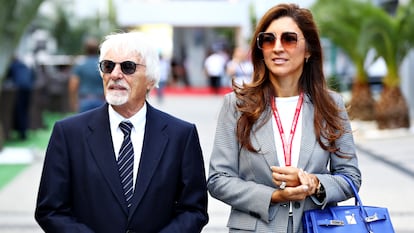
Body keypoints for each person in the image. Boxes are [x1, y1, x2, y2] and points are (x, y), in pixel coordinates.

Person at [207, 4, 361, 233]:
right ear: (260, 49)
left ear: (308, 49)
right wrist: (274, 196)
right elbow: (219, 179)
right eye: (268, 40)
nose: (277, 48)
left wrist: (316, 184)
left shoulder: (331, 105)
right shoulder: (236, 105)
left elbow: (350, 177)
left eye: (289, 39)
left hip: (316, 226)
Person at [35, 31, 209, 233]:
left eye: (128, 67)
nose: (116, 74)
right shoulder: (68, 134)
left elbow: (194, 210)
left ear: (151, 80)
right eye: (108, 66)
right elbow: (50, 210)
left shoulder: (181, 135)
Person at [68, 37, 105, 112]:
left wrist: (73, 102)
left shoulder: (80, 64)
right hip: (101, 101)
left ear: (85, 49)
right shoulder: (103, 64)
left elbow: (73, 85)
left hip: (85, 101)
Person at [6, 56, 35, 140]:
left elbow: (8, 78)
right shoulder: (24, 65)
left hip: (19, 90)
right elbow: (33, 77)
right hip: (29, 90)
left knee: (20, 111)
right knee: (25, 111)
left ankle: (22, 133)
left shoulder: (13, 66)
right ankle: (24, 132)